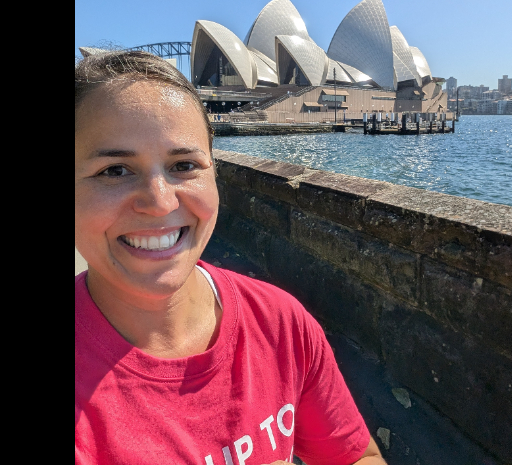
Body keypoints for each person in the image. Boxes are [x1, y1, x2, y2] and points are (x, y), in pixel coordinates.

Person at [75, 51, 387, 465]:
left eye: (184, 165)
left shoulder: (280, 322)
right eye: (115, 170)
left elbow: (357, 457)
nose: (160, 202)